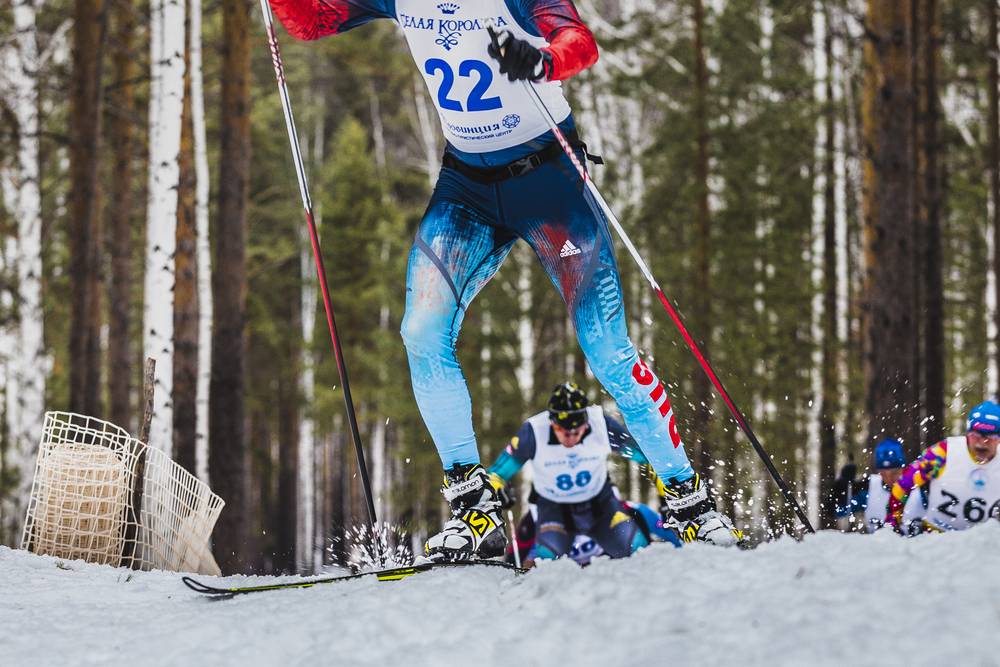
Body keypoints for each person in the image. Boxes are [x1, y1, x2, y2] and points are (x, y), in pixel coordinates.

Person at [268, 0, 741, 562]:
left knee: (608, 350)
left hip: (549, 182)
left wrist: (541, 60)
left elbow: (579, 42)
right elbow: (309, 21)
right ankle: (475, 512)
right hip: (466, 187)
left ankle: (689, 504)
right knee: (422, 330)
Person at [488, 383, 689, 563]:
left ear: (586, 423)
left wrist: (668, 497)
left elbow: (649, 460)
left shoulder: (602, 425)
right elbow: (497, 474)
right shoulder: (533, 432)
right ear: (552, 422)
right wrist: (497, 491)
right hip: (554, 510)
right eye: (563, 431)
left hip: (601, 507)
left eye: (577, 431)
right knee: (545, 561)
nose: (570, 438)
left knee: (637, 550)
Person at [886, 401, 1000, 533]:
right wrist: (892, 524)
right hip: (938, 538)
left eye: (991, 436)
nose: (983, 442)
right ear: (969, 431)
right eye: (977, 434)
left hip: (983, 542)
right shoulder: (943, 453)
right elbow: (904, 484)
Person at [831, 439, 925, 534]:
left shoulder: (920, 487)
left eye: (894, 473)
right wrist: (841, 485)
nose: (889, 478)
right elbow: (835, 510)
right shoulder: (870, 487)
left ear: (904, 469)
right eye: (883, 474)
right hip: (879, 548)